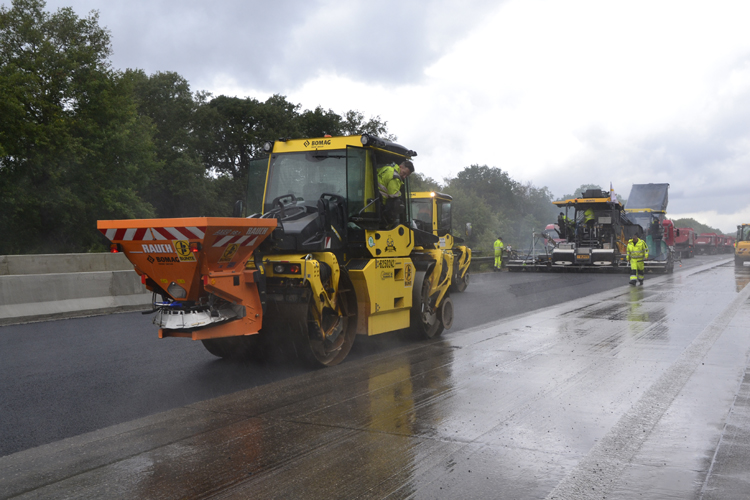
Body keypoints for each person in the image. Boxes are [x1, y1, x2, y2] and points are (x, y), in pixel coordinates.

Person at [377, 160, 414, 225]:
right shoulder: (395, 176)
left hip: (377, 201)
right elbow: (393, 194)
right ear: (400, 167)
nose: (404, 177)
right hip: (381, 205)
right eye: (404, 173)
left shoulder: (386, 168)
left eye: (406, 176)